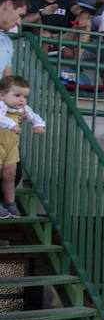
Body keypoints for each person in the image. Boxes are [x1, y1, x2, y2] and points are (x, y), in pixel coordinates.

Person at [0, 76, 45, 217]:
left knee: (10, 175)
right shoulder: (1, 106)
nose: (22, 100)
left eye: (24, 96)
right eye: (17, 95)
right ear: (2, 95)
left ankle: (10, 203)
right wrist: (12, 124)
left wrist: (39, 125)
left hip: (11, 147)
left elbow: (34, 116)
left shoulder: (23, 109)